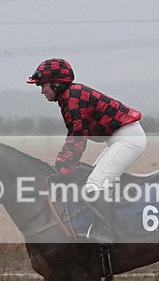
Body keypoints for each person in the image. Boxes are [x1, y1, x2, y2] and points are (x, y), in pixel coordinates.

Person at [27, 57, 147, 244]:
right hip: (120, 138)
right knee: (91, 179)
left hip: (128, 139)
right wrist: (62, 165)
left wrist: (63, 169)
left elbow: (77, 138)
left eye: (43, 85)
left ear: (57, 84)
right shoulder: (69, 97)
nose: (42, 91)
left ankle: (106, 234)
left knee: (94, 186)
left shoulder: (73, 98)